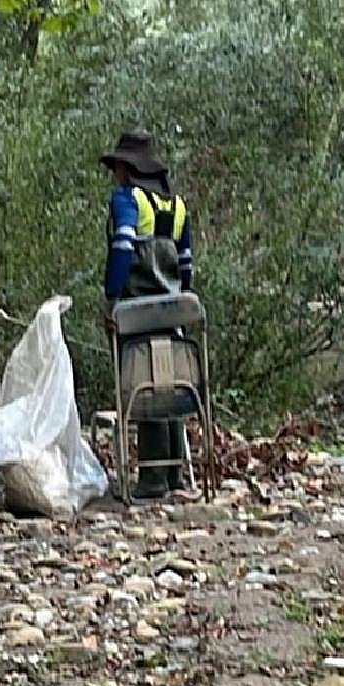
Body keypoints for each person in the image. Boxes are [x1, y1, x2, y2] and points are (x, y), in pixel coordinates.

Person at [100, 130, 195, 500]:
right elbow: (186, 262)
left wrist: (111, 296)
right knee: (171, 380)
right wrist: (181, 301)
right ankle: (173, 474)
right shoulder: (177, 206)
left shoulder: (127, 199)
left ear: (127, 168)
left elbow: (123, 247)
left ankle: (152, 477)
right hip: (172, 311)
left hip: (137, 307)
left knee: (145, 382)